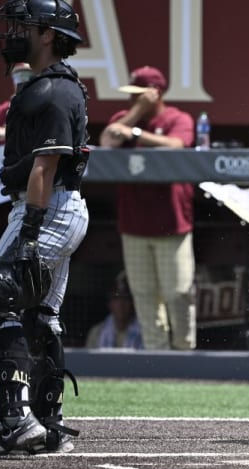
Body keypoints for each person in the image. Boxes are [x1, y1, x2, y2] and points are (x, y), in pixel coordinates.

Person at [0, 0, 89, 456]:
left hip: (46, 208)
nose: (15, 32)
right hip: (55, 206)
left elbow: (45, 166)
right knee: (40, 316)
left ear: (48, 34)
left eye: (25, 25)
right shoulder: (45, 85)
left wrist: (29, 233)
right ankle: (49, 424)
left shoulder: (55, 92)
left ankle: (19, 422)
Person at [99, 66, 197, 350]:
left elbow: (178, 144)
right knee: (144, 295)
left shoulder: (178, 118)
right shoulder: (123, 119)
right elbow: (107, 141)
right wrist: (135, 115)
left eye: (140, 95)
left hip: (172, 223)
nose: (133, 100)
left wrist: (137, 131)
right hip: (134, 225)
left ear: (156, 93)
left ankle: (184, 351)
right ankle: (157, 357)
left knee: (178, 293)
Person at [85, 271, 143, 350]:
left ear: (133, 302)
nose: (120, 304)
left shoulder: (143, 332)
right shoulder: (97, 332)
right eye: (116, 298)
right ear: (109, 303)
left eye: (125, 298)